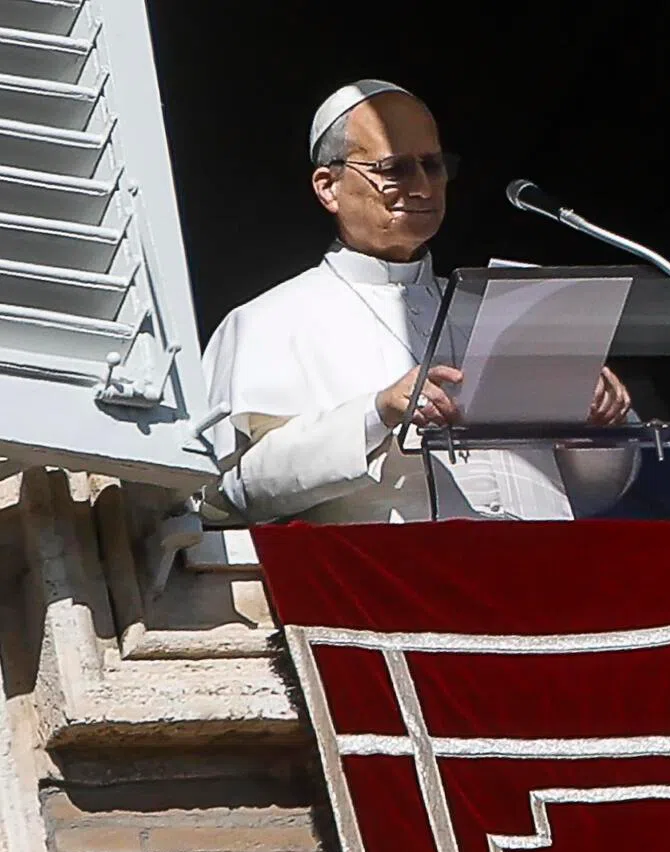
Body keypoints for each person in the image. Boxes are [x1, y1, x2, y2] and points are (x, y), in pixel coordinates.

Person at [204, 79, 632, 524]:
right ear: (329, 186)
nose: (424, 186)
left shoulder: (497, 307)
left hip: (542, 569)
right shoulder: (269, 320)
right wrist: (377, 412)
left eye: (432, 165)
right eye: (395, 169)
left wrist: (594, 424)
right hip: (394, 579)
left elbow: (595, 492)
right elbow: (236, 489)